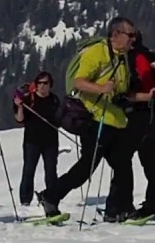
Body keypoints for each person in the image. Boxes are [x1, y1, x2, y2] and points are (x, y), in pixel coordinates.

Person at [37, 16, 145, 222]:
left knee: (122, 164)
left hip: (116, 120)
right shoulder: (97, 53)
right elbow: (79, 82)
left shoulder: (122, 57)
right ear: (116, 35)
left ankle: (120, 209)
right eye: (130, 35)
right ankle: (51, 196)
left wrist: (147, 96)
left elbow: (122, 91)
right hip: (95, 120)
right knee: (87, 167)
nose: (133, 39)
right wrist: (102, 89)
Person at [116, 31, 155, 219]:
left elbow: (140, 86)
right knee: (147, 160)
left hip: (141, 113)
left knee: (130, 159)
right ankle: (150, 204)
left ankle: (127, 205)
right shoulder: (142, 56)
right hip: (146, 113)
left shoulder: (136, 58)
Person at [13, 71, 61, 207]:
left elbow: (59, 119)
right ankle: (25, 201)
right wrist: (19, 106)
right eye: (39, 83)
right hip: (32, 141)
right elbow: (20, 119)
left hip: (50, 141)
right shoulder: (29, 99)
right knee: (29, 170)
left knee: (51, 171)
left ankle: (52, 198)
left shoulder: (54, 100)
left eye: (45, 83)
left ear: (50, 84)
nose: (42, 86)